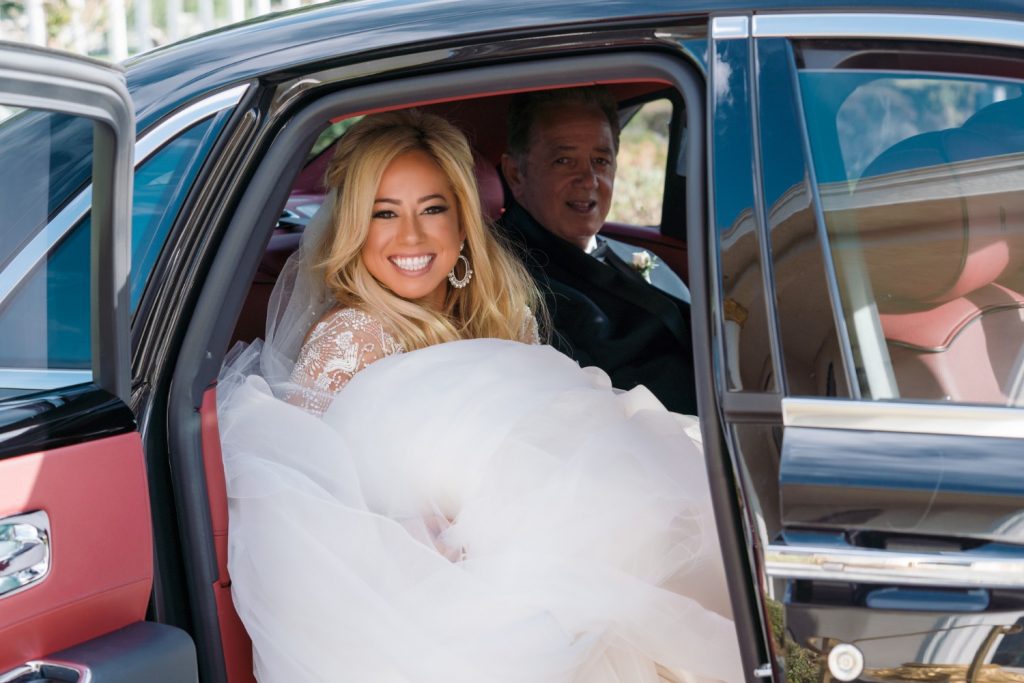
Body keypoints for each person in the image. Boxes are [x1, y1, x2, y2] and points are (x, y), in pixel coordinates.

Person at [216, 109, 740, 682]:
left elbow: (557, 436)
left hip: (542, 560)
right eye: (383, 213)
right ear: (353, 229)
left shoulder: (504, 314)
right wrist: (442, 548)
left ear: (463, 221)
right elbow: (310, 512)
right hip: (428, 596)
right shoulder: (351, 337)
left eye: (432, 210)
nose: (410, 236)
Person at [498, 87, 698, 415]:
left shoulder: (628, 252)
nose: (589, 179)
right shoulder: (510, 283)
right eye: (564, 160)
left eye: (601, 160)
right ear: (516, 174)